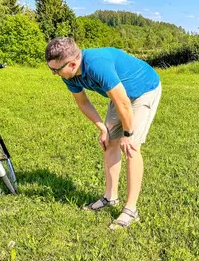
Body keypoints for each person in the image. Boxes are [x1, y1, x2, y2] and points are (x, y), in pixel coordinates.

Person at [45, 37, 162, 230]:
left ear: (72, 64)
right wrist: (102, 128)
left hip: (143, 90)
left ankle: (131, 210)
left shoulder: (97, 65)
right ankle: (110, 198)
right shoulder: (71, 75)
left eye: (56, 70)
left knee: (131, 147)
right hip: (120, 95)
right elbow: (83, 103)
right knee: (109, 142)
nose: (54, 74)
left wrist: (128, 133)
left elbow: (124, 102)